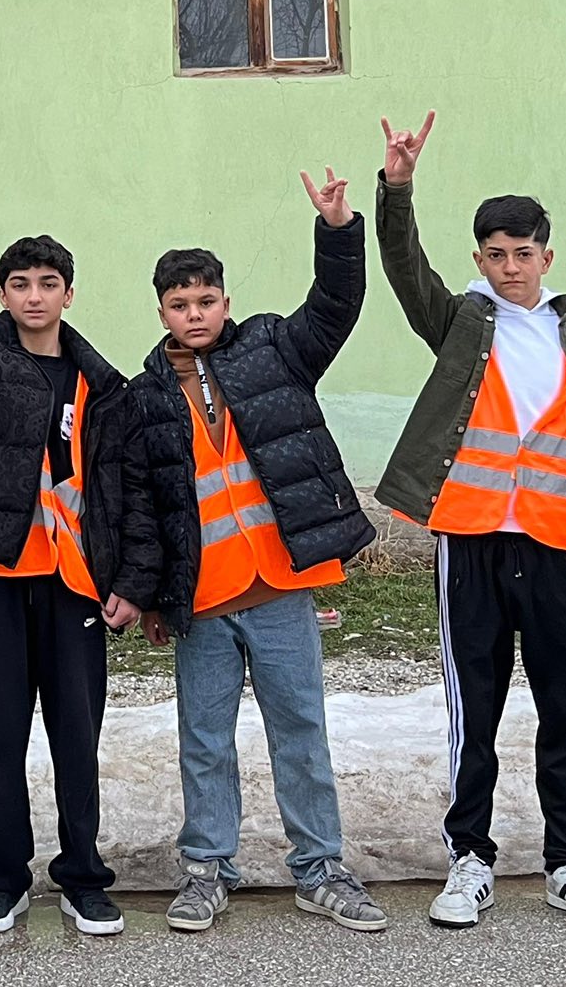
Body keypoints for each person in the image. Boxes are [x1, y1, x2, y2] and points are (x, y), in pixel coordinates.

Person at [374, 113, 566, 934]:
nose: (511, 266)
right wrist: (396, 189)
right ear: (480, 259)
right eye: (496, 254)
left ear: (547, 258)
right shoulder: (462, 323)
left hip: (562, 551)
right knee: (477, 710)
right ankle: (471, 860)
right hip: (472, 542)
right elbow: (403, 268)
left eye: (523, 253)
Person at [126, 171, 386, 934]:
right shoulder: (144, 396)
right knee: (203, 740)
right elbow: (144, 506)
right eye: (180, 304)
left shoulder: (275, 348)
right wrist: (147, 591)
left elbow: (335, 309)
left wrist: (337, 229)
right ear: (163, 311)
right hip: (201, 601)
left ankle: (321, 868)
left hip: (279, 584)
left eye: (206, 301)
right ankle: (207, 869)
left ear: (226, 304)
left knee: (300, 728)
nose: (195, 314)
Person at [0, 234, 154, 936]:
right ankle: (2, 880)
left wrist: (133, 581)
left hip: (76, 582)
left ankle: (83, 877)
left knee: (77, 735)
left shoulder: (102, 386)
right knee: (0, 733)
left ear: (68, 294)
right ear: (3, 296)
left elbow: (125, 493)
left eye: (47, 283)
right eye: (19, 284)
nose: (34, 295)